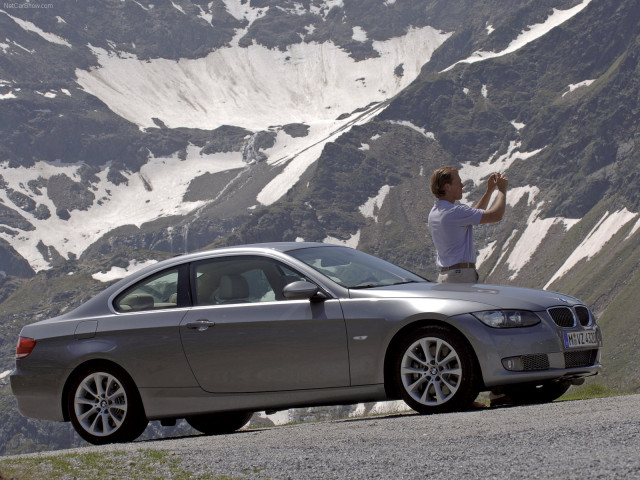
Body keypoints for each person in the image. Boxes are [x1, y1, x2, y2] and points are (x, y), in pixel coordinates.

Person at [428, 166, 508, 283]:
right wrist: (502, 190)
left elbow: (473, 215)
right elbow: (496, 215)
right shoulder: (455, 211)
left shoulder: (434, 212)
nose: (462, 185)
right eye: (459, 183)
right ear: (447, 186)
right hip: (461, 275)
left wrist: (489, 191)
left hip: (445, 275)